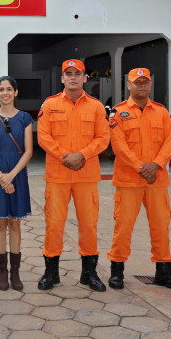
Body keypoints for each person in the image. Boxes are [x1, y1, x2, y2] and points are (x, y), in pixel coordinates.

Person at [106, 68, 171, 290]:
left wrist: (156, 165)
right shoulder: (118, 113)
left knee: (161, 226)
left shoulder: (161, 112)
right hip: (129, 179)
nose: (142, 85)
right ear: (128, 85)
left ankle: (163, 272)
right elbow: (118, 146)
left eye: (145, 82)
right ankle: (117, 271)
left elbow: (170, 141)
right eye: (137, 82)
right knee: (123, 226)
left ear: (150, 85)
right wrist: (141, 167)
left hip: (156, 180)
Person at [37, 59, 110, 292]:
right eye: (68, 74)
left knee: (89, 225)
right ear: (62, 78)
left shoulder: (96, 107)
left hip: (86, 175)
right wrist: (65, 156)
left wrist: (82, 155)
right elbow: (43, 136)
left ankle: (89, 274)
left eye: (77, 74)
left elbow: (103, 138)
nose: (72, 78)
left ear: (85, 78)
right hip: (58, 175)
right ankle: (51, 273)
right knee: (54, 224)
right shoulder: (49, 105)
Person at [0, 76, 33, 291]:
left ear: (16, 92)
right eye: (1, 89)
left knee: (15, 222)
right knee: (0, 222)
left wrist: (11, 175)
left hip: (17, 172)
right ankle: (2, 271)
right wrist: (3, 177)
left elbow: (29, 151)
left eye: (9, 89)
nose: (5, 93)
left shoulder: (25, 118)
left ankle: (15, 272)